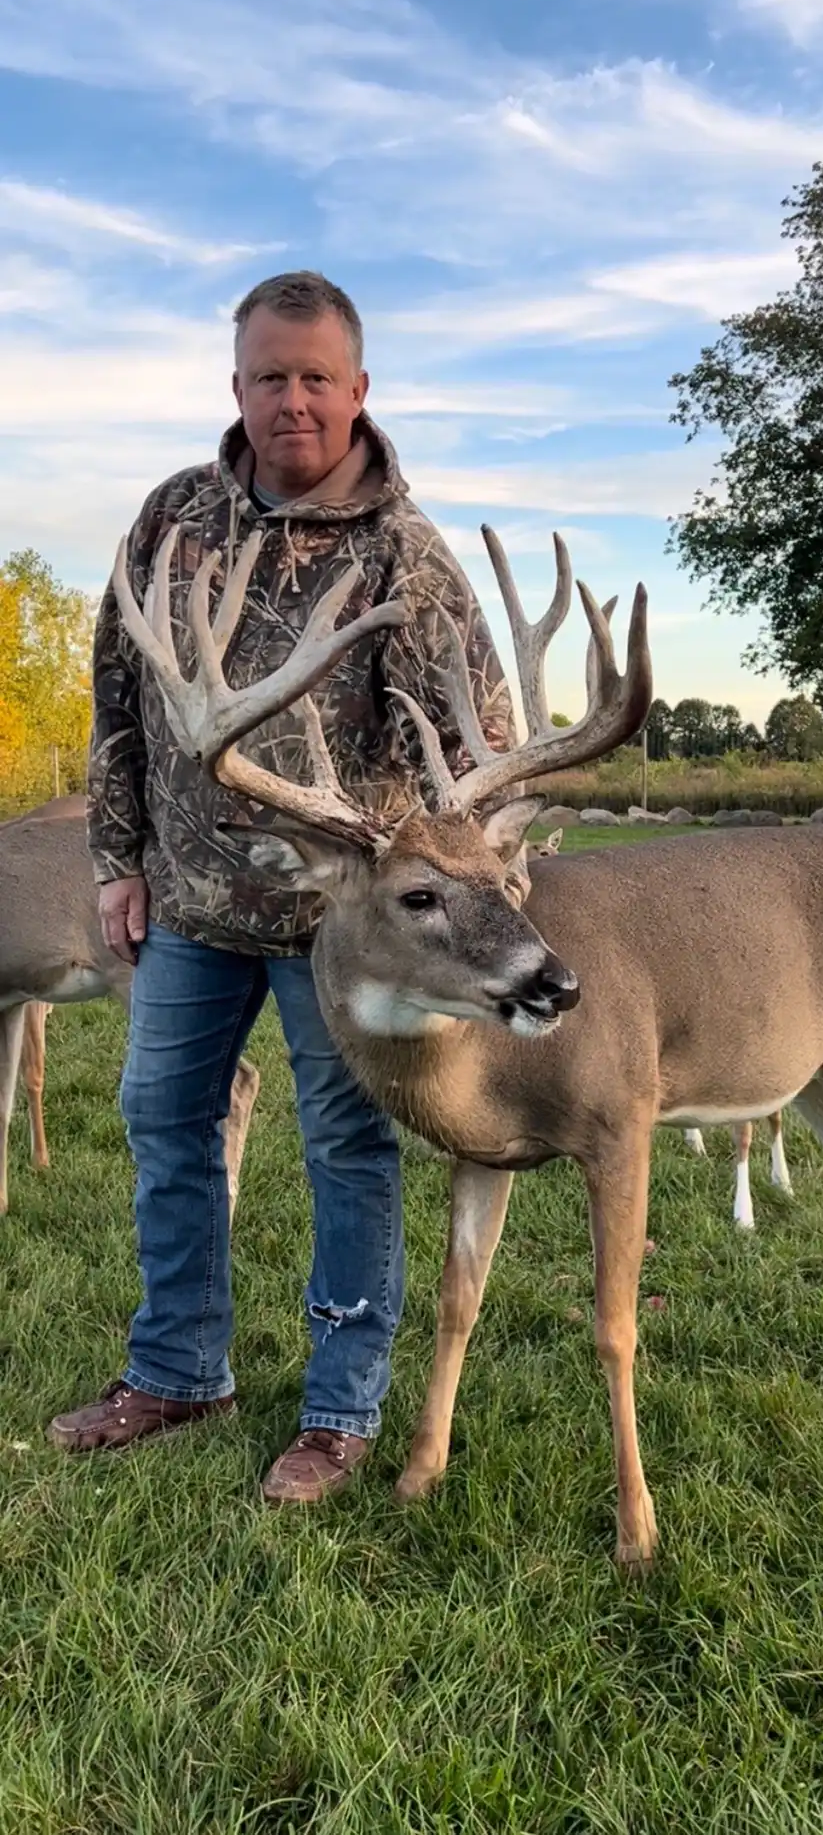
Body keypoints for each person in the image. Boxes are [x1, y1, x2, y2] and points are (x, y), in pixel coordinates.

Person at [47, 270, 516, 1504]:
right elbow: (116, 700)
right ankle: (177, 1368)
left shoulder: (407, 560)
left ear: (358, 389)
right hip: (193, 908)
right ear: (237, 385)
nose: (292, 400)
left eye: (316, 377)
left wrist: (477, 907)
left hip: (347, 936)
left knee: (346, 1149)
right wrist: (115, 860)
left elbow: (479, 755)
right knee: (162, 1126)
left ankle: (339, 1409)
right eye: (270, 376)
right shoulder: (170, 521)